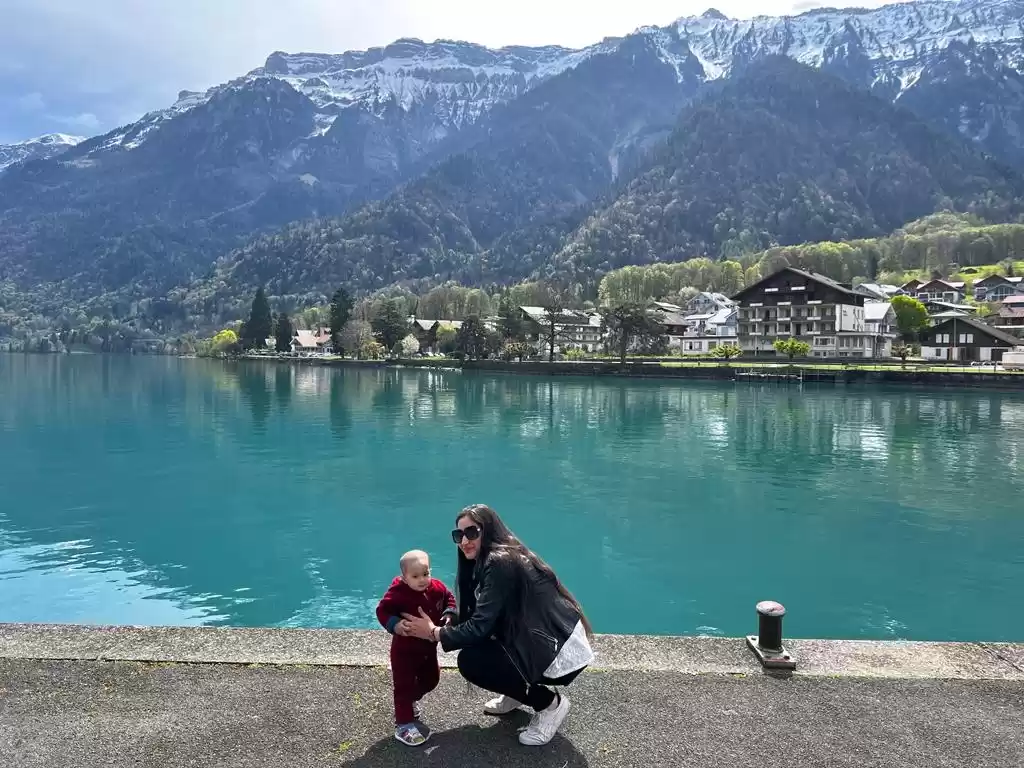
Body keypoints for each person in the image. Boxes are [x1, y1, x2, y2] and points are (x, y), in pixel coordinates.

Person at [399, 504, 593, 747]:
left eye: (472, 532)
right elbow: (483, 613)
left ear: (488, 530)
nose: (464, 541)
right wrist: (450, 617)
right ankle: (516, 692)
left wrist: (434, 633)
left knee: (472, 661)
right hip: (539, 640)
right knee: (479, 648)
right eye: (459, 535)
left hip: (558, 649)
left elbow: (480, 627)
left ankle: (550, 705)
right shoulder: (487, 560)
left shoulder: (500, 562)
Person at [376, 549, 457, 746]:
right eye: (415, 576)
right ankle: (403, 724)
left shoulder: (437, 587)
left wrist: (449, 613)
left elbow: (449, 598)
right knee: (403, 687)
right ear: (404, 578)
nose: (422, 580)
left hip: (428, 650)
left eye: (426, 574)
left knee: (432, 679)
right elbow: (382, 610)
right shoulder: (398, 593)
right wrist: (395, 624)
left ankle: (409, 700)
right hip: (404, 652)